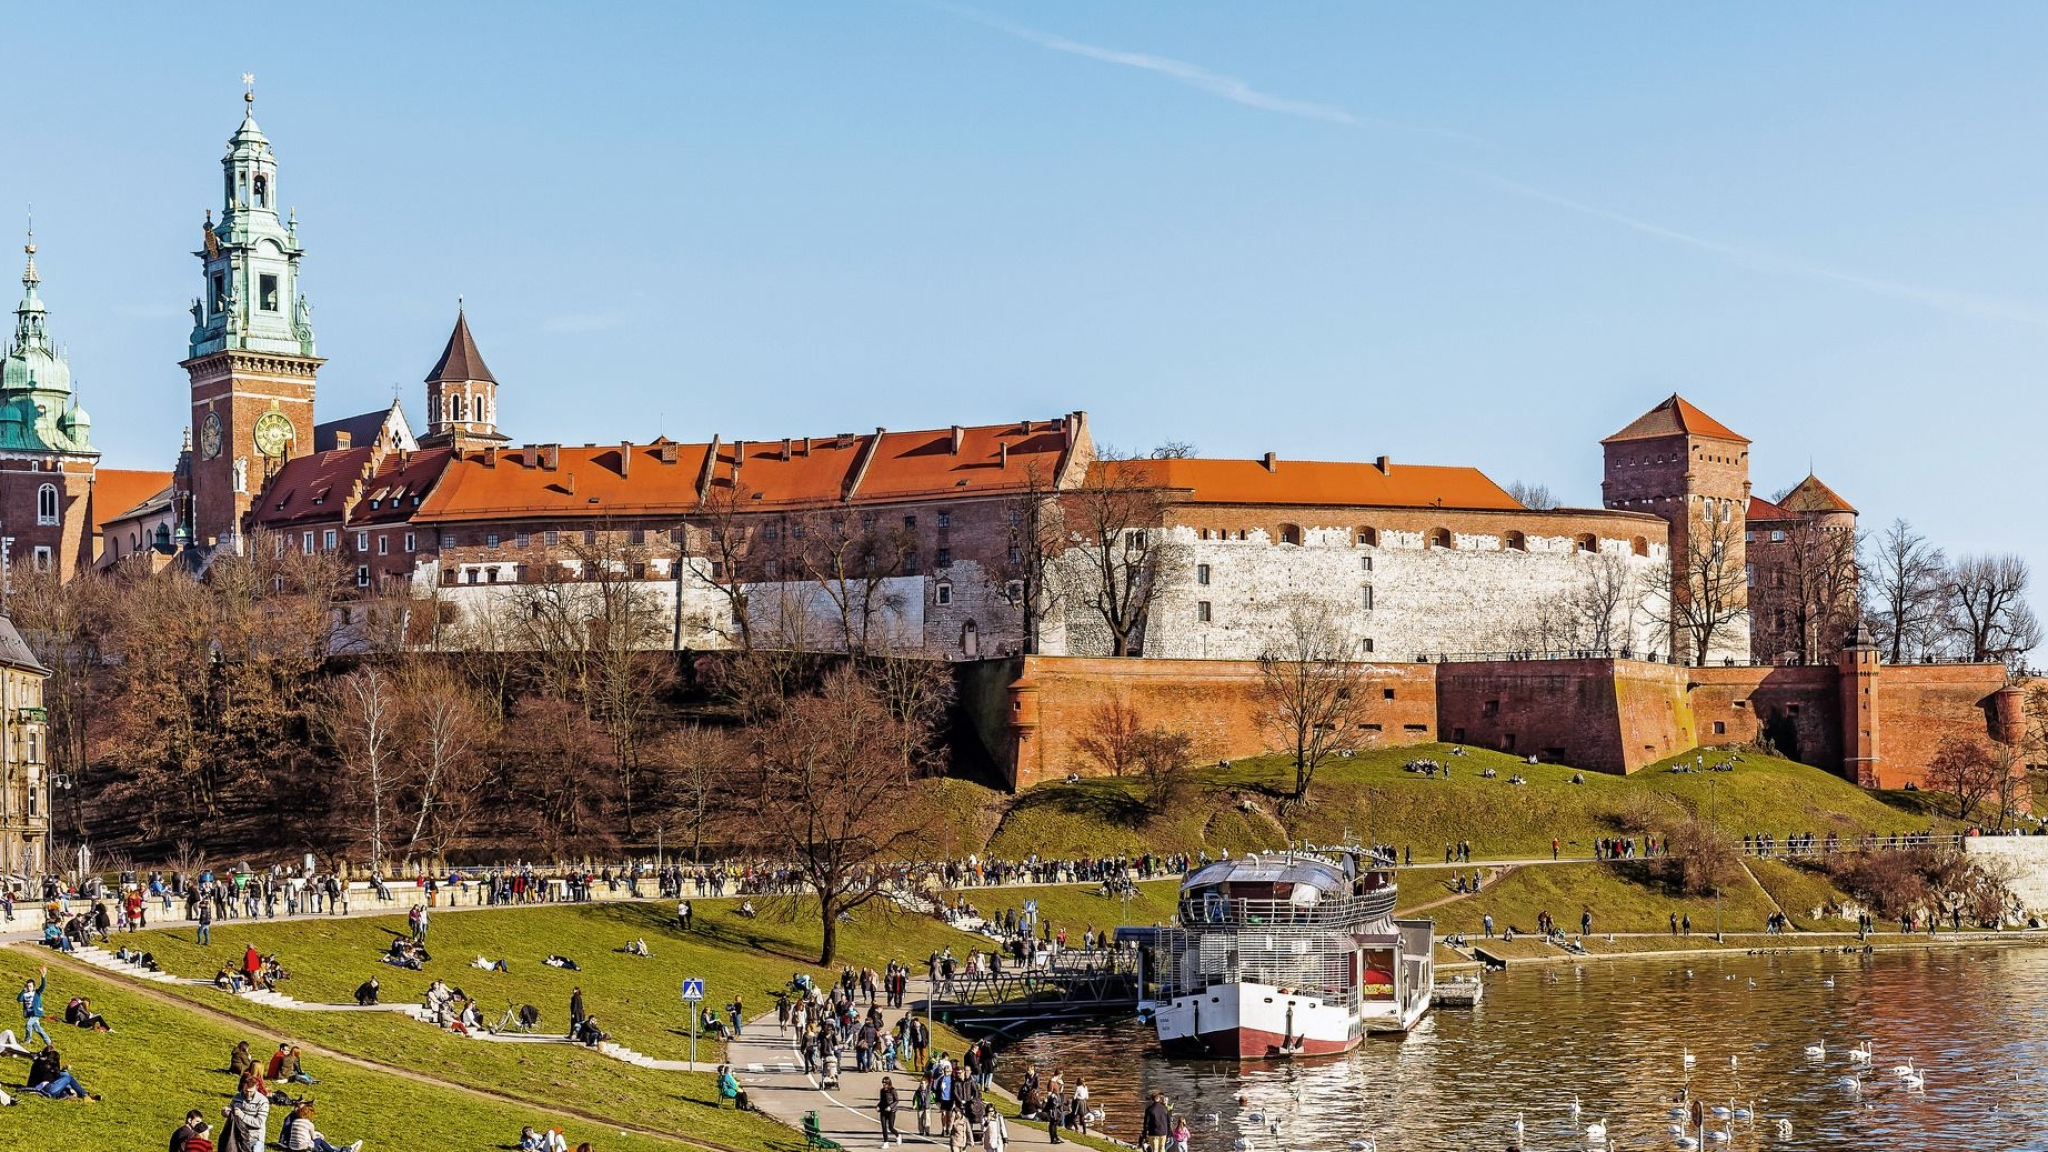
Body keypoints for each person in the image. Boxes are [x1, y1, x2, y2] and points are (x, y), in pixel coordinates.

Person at [279, 1101, 364, 1152]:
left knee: (319, 1145)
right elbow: (312, 1138)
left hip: (292, 1147)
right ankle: (344, 1150)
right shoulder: (309, 1124)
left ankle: (343, 1149)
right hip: (303, 1147)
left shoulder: (294, 1121)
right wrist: (318, 1135)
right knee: (319, 1140)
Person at [25, 1044, 95, 1100]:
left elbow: (50, 1075)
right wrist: (61, 1070)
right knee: (68, 1077)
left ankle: (70, 1095)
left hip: (43, 1088)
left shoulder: (40, 1062)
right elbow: (51, 1077)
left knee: (64, 1077)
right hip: (45, 1089)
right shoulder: (45, 1064)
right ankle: (85, 1095)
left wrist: (60, 1070)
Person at [221, 1074, 270, 1152]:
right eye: (246, 1091)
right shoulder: (237, 1097)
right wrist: (226, 1112)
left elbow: (259, 1123)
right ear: (243, 1086)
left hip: (255, 1138)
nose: (248, 1094)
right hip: (239, 1136)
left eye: (251, 1092)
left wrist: (242, 1115)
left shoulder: (263, 1101)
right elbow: (231, 1109)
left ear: (256, 1088)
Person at [19, 966, 51, 1047]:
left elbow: (43, 986)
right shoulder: (25, 994)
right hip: (30, 1014)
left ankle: (27, 1041)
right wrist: (23, 990)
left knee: (28, 1024)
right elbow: (19, 999)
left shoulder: (37, 992)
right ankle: (49, 1043)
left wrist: (43, 976)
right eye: (27, 986)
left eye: (30, 986)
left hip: (36, 1013)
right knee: (38, 1029)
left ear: (33, 986)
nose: (29, 987)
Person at [878, 1075, 900, 1144]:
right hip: (883, 1110)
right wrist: (878, 1106)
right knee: (884, 1127)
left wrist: (890, 1107)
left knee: (891, 1127)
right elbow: (881, 1101)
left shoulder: (892, 1090)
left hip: (891, 1111)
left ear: (888, 1083)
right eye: (883, 1082)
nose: (884, 1084)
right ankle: (886, 1142)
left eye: (885, 1083)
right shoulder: (882, 1091)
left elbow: (896, 1100)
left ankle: (898, 1135)